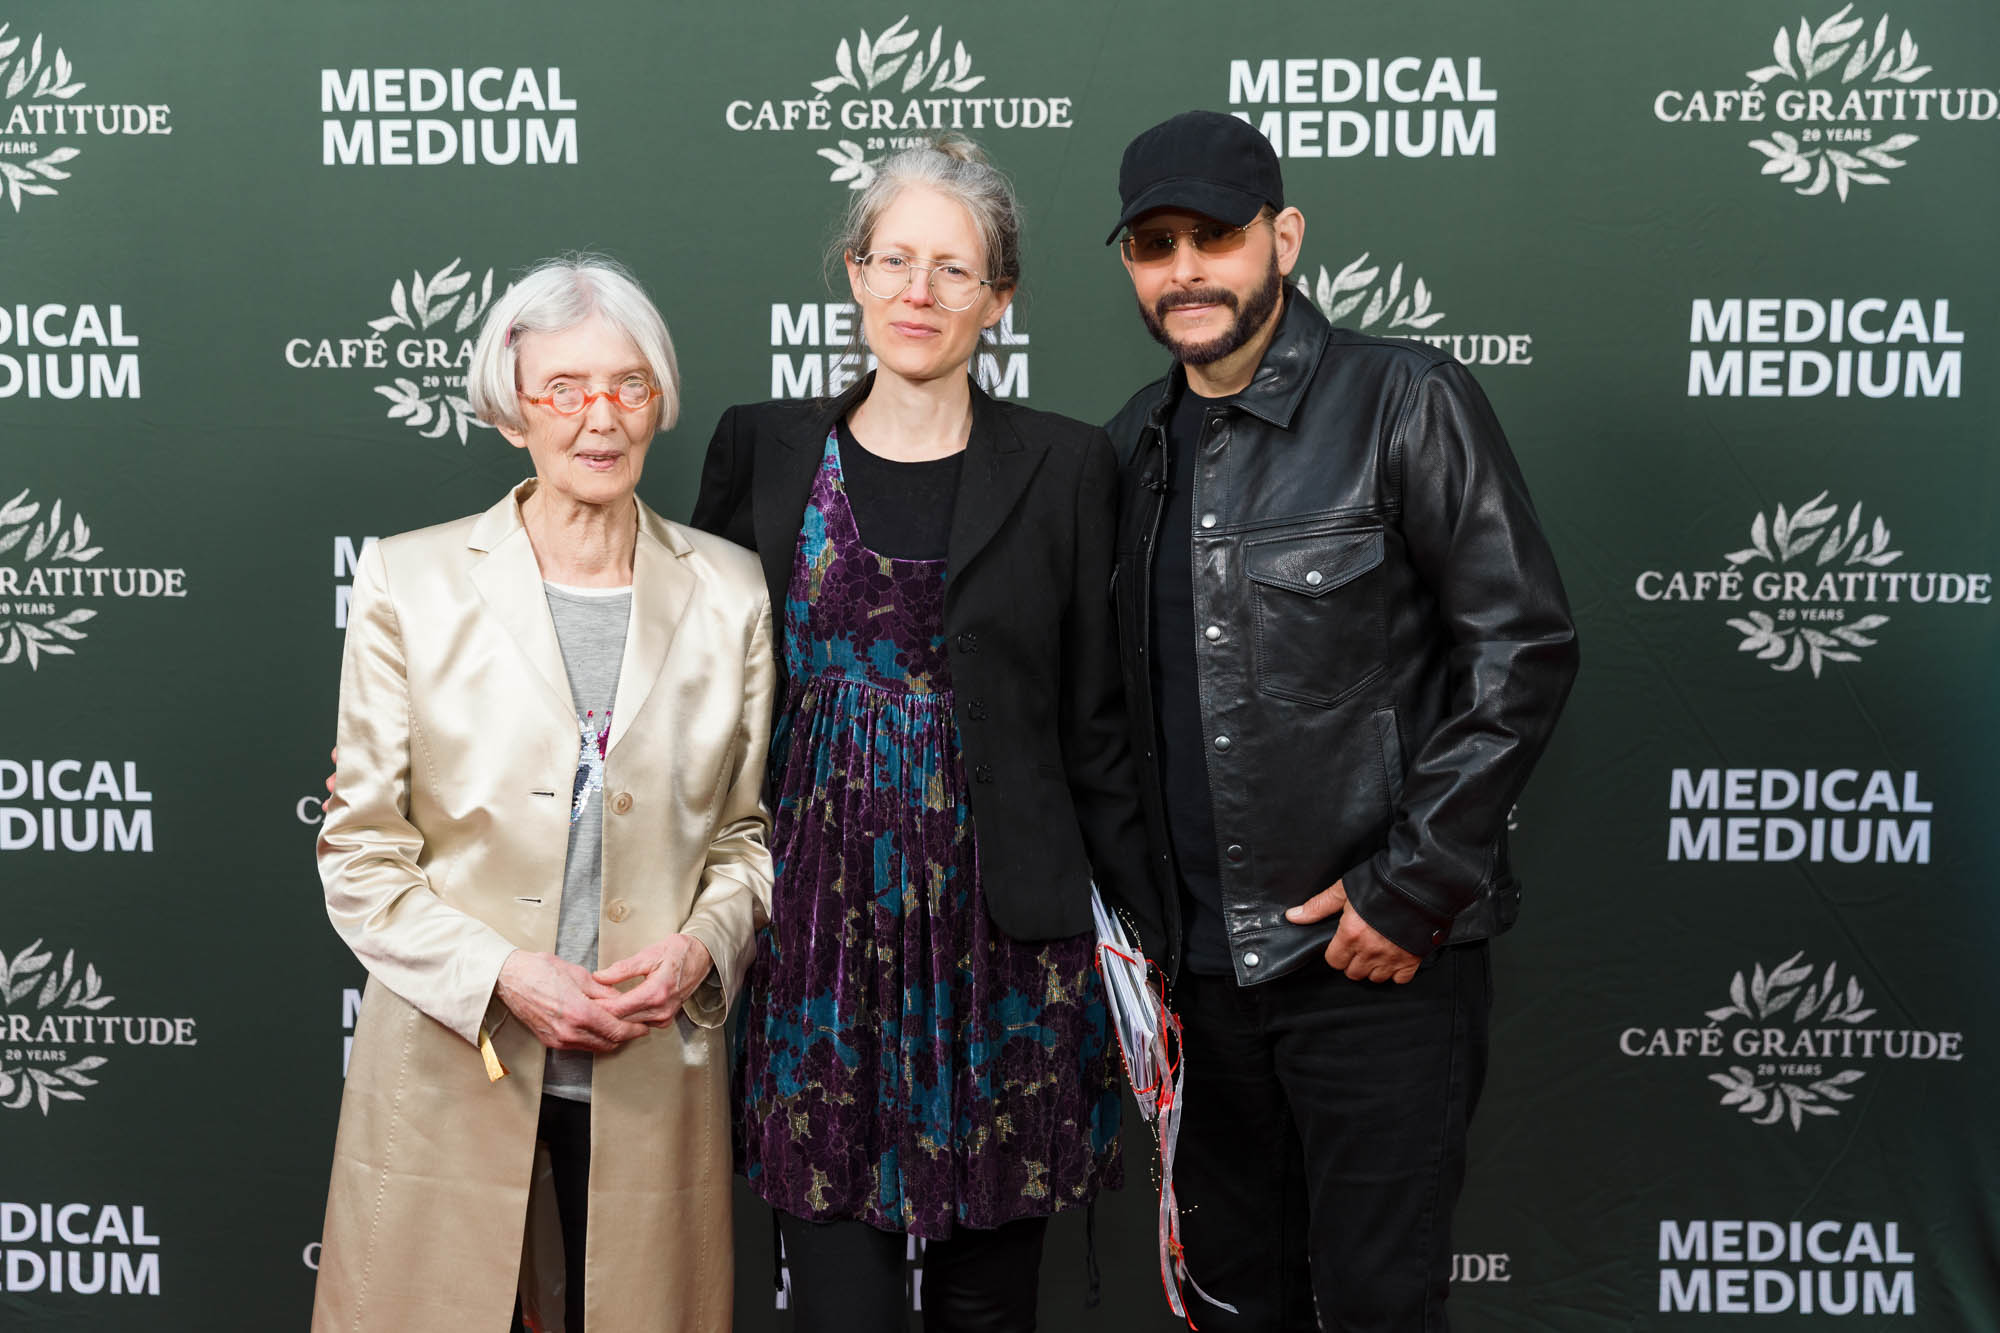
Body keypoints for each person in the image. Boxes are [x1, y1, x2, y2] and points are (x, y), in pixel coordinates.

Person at [1101, 111, 1580, 1331]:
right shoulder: (1126, 448)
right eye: (1154, 245)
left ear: (1284, 238)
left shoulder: (1404, 398)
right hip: (1198, 990)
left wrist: (1412, 885)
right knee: (1233, 1305)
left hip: (1372, 969)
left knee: (1376, 1304)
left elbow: (1520, 647)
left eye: (1214, 236)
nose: (1184, 270)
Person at [691, 136, 1159, 1332]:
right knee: (837, 1305)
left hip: (1007, 954)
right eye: (895, 259)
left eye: (955, 269)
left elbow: (1095, 723)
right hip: (815, 944)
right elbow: (686, 694)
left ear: (998, 298)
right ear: (853, 272)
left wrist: (1160, 936)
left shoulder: (1067, 464)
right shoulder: (762, 450)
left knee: (988, 1308)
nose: (920, 290)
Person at [313, 255, 774, 1333]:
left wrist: (701, 948)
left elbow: (745, 840)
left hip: (651, 1069)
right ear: (511, 409)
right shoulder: (409, 582)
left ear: (658, 401)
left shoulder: (730, 591)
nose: (599, 417)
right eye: (564, 388)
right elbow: (361, 853)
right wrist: (505, 973)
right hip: (453, 1060)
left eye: (627, 384)